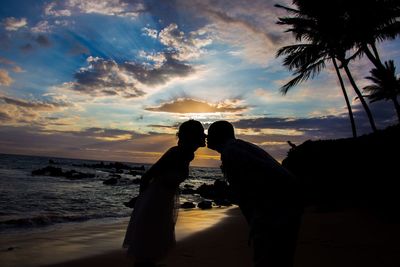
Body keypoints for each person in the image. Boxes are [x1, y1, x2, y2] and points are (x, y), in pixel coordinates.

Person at [207, 120, 304, 267]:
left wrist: (258, 222)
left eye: (210, 134)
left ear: (219, 135)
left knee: (269, 258)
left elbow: (246, 191)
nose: (207, 138)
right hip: (288, 204)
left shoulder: (230, 152)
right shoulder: (240, 146)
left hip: (277, 208)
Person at [123, 120, 206, 267]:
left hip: (164, 200)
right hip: (154, 200)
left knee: (153, 242)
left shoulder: (188, 154)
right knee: (148, 242)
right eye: (201, 134)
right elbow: (147, 176)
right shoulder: (175, 152)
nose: (204, 137)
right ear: (193, 137)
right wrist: (141, 200)